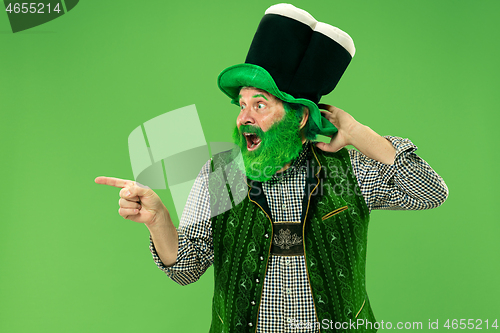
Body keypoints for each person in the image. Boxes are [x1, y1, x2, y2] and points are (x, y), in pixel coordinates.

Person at [95, 4, 448, 333]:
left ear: (299, 118)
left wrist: (358, 133)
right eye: (242, 104)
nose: (244, 117)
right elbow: (186, 268)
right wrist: (159, 221)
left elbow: (430, 192)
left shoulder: (348, 171)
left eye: (259, 105)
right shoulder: (222, 175)